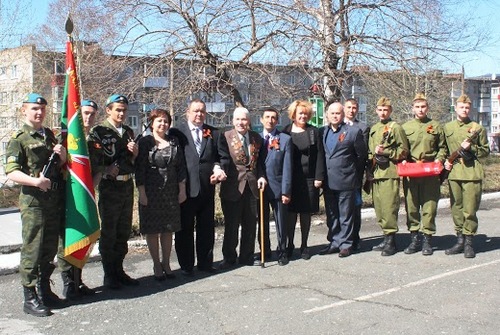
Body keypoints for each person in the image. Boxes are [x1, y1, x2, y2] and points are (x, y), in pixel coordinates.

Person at [5, 93, 67, 317]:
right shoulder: (19, 138)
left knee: (49, 247)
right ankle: (29, 297)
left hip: (52, 200)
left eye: (42, 109)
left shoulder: (49, 135)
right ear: (24, 111)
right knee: (32, 248)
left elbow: (60, 167)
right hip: (33, 202)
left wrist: (62, 156)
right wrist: (35, 181)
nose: (39, 112)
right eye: (34, 109)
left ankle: (44, 289)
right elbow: (11, 171)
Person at [88, 94, 139, 289]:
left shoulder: (127, 131)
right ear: (108, 110)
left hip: (127, 186)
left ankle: (119, 270)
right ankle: (109, 274)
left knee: (123, 231)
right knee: (109, 232)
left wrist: (134, 153)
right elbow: (95, 160)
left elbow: (132, 161)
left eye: (124, 110)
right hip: (110, 187)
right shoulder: (99, 131)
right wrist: (106, 170)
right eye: (117, 109)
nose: (121, 113)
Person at [170, 99, 226, 276]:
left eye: (202, 111)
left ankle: (205, 263)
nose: (199, 114)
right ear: (188, 112)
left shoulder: (214, 133)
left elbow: (220, 157)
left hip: (207, 188)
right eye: (195, 111)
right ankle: (186, 265)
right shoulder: (177, 132)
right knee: (185, 229)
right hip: (184, 189)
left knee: (206, 228)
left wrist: (218, 169)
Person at [136, 109, 187, 280]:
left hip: (171, 192)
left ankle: (166, 263)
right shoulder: (145, 143)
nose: (163, 124)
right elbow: (140, 169)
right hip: (151, 192)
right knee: (153, 230)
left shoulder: (174, 141)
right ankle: (156, 264)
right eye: (159, 121)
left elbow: (180, 168)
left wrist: (182, 189)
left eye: (166, 121)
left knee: (168, 229)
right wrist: (142, 192)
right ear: (152, 123)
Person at [58, 99, 99, 300]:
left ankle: (78, 280)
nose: (88, 117)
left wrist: (91, 191)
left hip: (85, 196)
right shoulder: (65, 137)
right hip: (67, 196)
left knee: (83, 235)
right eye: (84, 113)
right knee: (68, 238)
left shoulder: (92, 140)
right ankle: (68, 282)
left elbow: (96, 170)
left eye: (92, 114)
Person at [218, 107, 267, 269]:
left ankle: (246, 256)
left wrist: (261, 176)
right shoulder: (225, 137)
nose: (241, 123)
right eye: (238, 119)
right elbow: (222, 159)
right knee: (232, 225)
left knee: (250, 224)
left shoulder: (256, 138)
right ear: (233, 121)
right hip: (233, 187)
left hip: (252, 187)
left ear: (249, 121)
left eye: (244, 119)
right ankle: (229, 257)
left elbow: (260, 162)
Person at [443, 94, 490, 258]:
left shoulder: (477, 128)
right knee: (456, 208)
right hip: (455, 172)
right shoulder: (447, 127)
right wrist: (444, 162)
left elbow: (485, 151)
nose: (464, 110)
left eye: (467, 107)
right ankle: (460, 240)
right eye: (461, 107)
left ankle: (469, 242)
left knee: (470, 209)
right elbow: (443, 148)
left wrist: (471, 149)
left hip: (471, 173)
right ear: (455, 108)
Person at [319, 102, 367, 257]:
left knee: (345, 214)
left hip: (347, 180)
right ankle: (334, 242)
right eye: (332, 113)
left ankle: (346, 244)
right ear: (327, 115)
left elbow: (361, 156)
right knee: (332, 214)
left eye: (338, 113)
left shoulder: (353, 132)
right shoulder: (322, 132)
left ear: (342, 114)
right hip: (328, 181)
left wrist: (352, 173)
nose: (334, 116)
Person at [401, 94, 447, 256]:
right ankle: (414, 239)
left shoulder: (435, 126)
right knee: (411, 206)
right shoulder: (405, 127)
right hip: (412, 171)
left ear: (427, 108)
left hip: (430, 172)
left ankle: (427, 239)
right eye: (417, 107)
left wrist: (438, 160)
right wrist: (404, 159)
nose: (420, 110)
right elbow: (402, 147)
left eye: (423, 107)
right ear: (413, 108)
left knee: (429, 207)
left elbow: (442, 147)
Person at [282, 100, 324, 260]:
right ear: (293, 114)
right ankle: (289, 244)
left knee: (306, 213)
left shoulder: (314, 131)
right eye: (300, 113)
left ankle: (305, 245)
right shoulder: (285, 132)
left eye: (306, 113)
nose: (303, 116)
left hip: (309, 179)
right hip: (291, 180)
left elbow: (320, 155)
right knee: (291, 214)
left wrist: (319, 177)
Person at [368, 97, 408, 256]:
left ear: (390, 111)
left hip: (389, 173)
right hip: (375, 173)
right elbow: (370, 151)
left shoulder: (395, 128)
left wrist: (386, 152)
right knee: (379, 208)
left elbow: (404, 151)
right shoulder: (374, 128)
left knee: (389, 207)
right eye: (380, 109)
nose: (383, 112)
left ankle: (391, 241)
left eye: (386, 110)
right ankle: (385, 237)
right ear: (376, 111)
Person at [258, 107, 293, 265]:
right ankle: (265, 250)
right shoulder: (256, 139)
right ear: (261, 120)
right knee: (262, 222)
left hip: (278, 187)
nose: (270, 120)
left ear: (277, 121)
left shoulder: (285, 139)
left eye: (273, 117)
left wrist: (286, 191)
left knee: (281, 222)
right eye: (267, 117)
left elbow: (287, 167)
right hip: (260, 188)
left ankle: (282, 251)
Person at [343, 98, 369, 250]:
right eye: (348, 107)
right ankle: (342, 237)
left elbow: (363, 153)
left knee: (355, 206)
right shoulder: (338, 126)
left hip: (355, 176)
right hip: (340, 175)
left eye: (354, 107)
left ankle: (355, 237)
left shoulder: (363, 128)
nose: (351, 110)